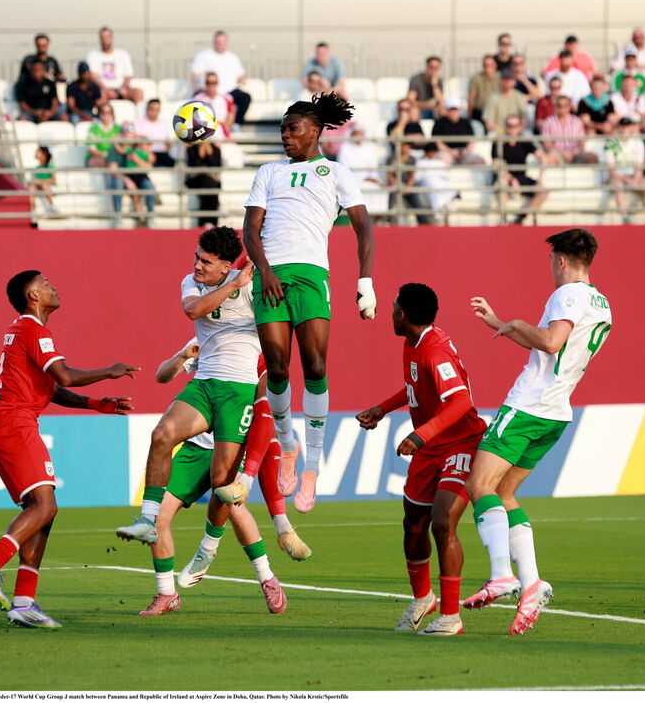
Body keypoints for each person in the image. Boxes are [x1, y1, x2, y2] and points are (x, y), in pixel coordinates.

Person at [0, 270, 136, 628]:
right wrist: (110, 370)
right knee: (45, 505)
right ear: (33, 296)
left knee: (43, 511)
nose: (53, 287)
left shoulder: (22, 331)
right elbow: (65, 376)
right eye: (45, 285)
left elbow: (54, 389)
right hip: (15, 425)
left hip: (8, 425)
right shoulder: (33, 330)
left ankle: (24, 602)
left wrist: (97, 404)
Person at [464, 229, 612, 635]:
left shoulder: (567, 295)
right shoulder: (602, 303)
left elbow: (549, 342)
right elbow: (553, 351)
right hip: (556, 412)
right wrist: (502, 325)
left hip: (528, 405)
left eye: (551, 260)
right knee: (506, 493)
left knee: (479, 488)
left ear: (560, 260)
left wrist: (515, 322)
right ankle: (531, 585)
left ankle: (501, 575)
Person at [243, 93, 376, 512]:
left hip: (312, 276)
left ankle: (312, 470)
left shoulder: (335, 172)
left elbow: (364, 228)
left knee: (316, 366)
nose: (285, 135)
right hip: (271, 275)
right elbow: (250, 228)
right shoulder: (268, 172)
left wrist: (366, 280)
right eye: (282, 129)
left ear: (315, 131)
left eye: (292, 128)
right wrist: (263, 269)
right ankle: (288, 447)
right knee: (278, 368)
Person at [135, 336, 309, 617]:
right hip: (195, 448)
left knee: (235, 510)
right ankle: (167, 593)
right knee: (158, 517)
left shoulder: (257, 344)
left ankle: (267, 579)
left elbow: (267, 404)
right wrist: (181, 357)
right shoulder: (208, 335)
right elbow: (161, 376)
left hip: (230, 444)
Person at [354, 283, 487, 637]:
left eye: (394, 305)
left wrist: (420, 434)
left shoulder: (434, 350)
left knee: (442, 522)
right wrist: (383, 408)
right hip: (431, 447)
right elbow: (415, 387)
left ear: (402, 315)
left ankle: (450, 615)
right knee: (413, 522)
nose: (392, 311)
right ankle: (422, 598)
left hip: (461, 441)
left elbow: (460, 404)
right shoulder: (413, 344)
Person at [191, 31, 250, 127]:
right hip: (209, 91)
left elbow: (241, 74)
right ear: (214, 42)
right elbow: (195, 74)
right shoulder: (203, 55)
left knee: (245, 97)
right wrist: (196, 85)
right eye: (218, 42)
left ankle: (236, 125)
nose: (220, 44)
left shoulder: (233, 57)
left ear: (227, 42)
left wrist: (242, 79)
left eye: (222, 42)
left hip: (230, 92)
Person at [495, 115, 546, 224]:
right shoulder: (498, 142)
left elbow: (542, 157)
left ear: (520, 127)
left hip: (521, 178)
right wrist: (512, 179)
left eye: (515, 126)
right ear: (505, 127)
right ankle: (503, 220)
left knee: (543, 191)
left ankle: (521, 218)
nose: (512, 129)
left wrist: (540, 178)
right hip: (505, 178)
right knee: (502, 184)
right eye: (509, 126)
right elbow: (497, 165)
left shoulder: (524, 142)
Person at [603, 118, 645, 222]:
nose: (624, 129)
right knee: (618, 185)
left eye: (627, 126)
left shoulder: (638, 142)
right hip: (616, 177)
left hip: (631, 175)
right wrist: (628, 180)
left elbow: (639, 167)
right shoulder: (610, 142)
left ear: (631, 128)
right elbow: (611, 171)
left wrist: (636, 179)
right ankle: (625, 217)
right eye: (622, 126)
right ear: (618, 127)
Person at [85, 27, 142, 103]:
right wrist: (106, 90)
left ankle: (140, 114)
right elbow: (93, 76)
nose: (105, 39)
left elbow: (128, 75)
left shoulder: (123, 54)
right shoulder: (93, 55)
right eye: (103, 37)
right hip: (103, 90)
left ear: (112, 38)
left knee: (138, 93)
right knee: (99, 94)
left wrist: (123, 88)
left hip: (121, 89)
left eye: (107, 37)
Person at [185, 141, 222, 227]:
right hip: (196, 180)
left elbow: (215, 166)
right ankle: (212, 221)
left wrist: (209, 154)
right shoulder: (191, 149)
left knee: (208, 184)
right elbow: (194, 166)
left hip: (211, 182)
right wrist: (201, 153)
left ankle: (203, 222)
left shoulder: (216, 150)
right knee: (207, 183)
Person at [482, 69, 529, 134]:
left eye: (509, 79)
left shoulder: (519, 97)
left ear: (514, 81)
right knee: (491, 134)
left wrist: (515, 132)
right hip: (499, 133)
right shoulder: (493, 98)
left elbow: (524, 121)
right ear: (500, 81)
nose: (507, 82)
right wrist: (503, 132)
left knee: (528, 134)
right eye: (505, 79)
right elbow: (489, 124)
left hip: (517, 133)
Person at [132, 99, 176, 168]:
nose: (154, 112)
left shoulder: (163, 124)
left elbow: (168, 143)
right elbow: (136, 140)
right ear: (147, 109)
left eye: (157, 109)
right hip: (145, 154)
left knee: (175, 163)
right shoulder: (138, 123)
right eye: (152, 108)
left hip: (161, 154)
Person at [468, 55, 501, 123]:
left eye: (490, 65)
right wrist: (469, 116)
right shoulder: (476, 79)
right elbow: (471, 98)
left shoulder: (500, 77)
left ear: (495, 66)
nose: (488, 67)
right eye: (486, 65)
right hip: (480, 111)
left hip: (496, 112)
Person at [28, 147, 55, 212]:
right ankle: (32, 209)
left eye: (38, 152)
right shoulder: (37, 168)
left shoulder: (50, 167)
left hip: (47, 185)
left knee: (44, 186)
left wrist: (42, 181)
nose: (36, 154)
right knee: (31, 188)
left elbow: (53, 180)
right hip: (39, 186)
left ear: (44, 155)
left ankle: (52, 205)